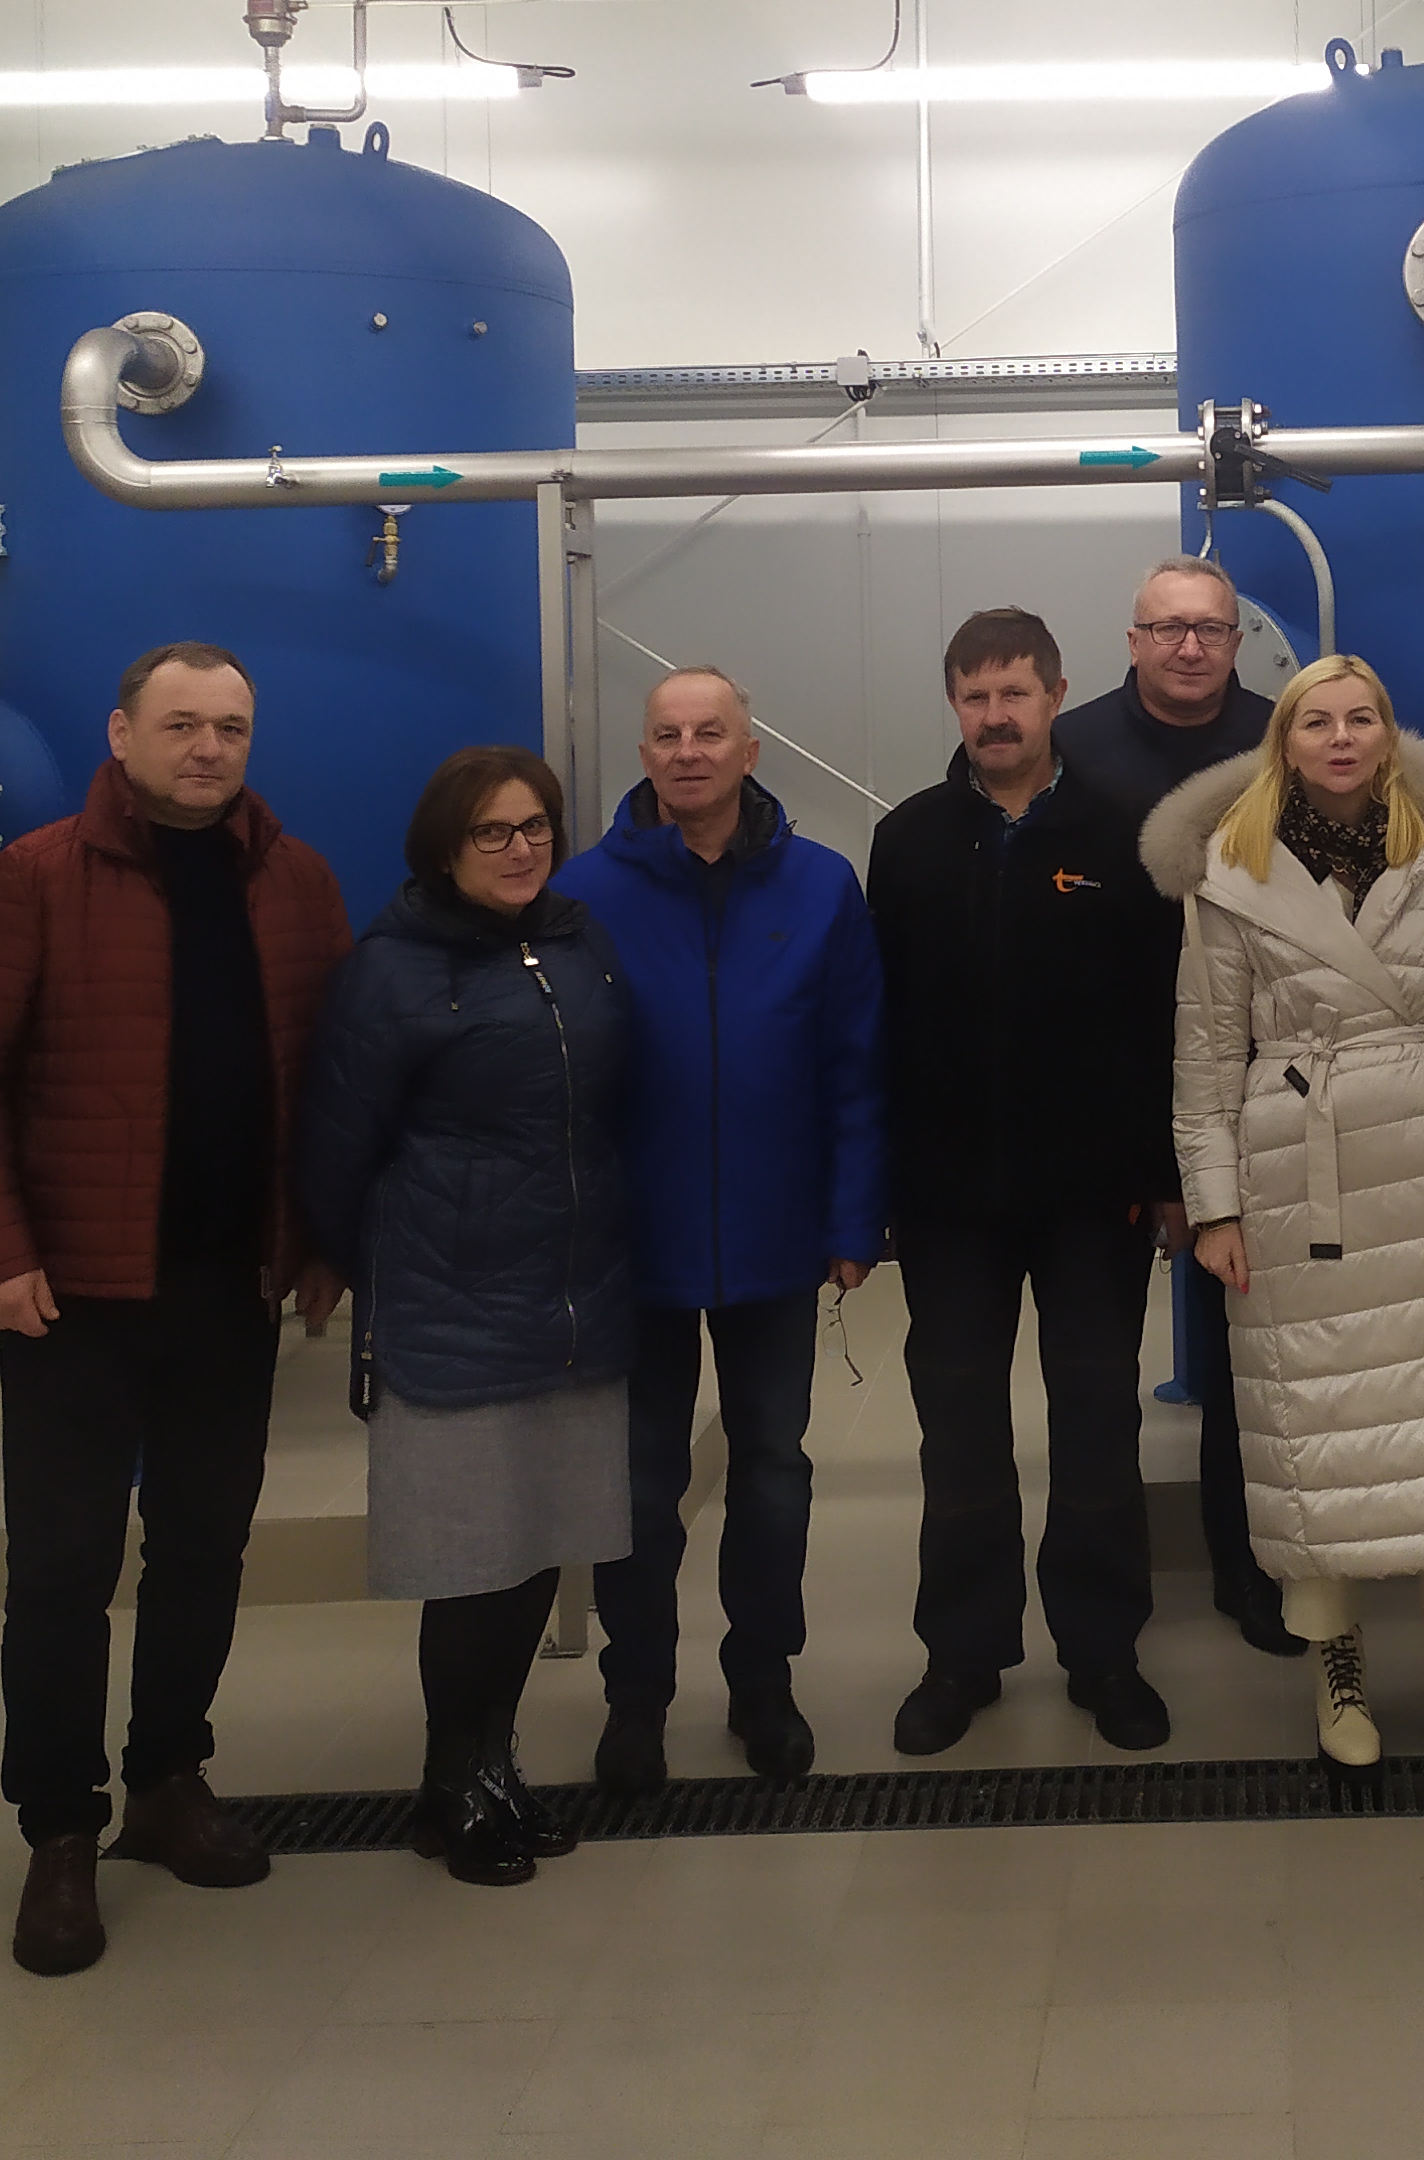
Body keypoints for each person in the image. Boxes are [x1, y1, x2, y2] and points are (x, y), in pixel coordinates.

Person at [0, 642, 354, 1976]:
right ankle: (60, 1828)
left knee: (204, 1550)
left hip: (229, 1287)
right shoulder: (33, 881)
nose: (207, 748)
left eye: (230, 726)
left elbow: (330, 1076)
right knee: (61, 1571)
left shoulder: (294, 881)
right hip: (72, 1296)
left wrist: (318, 1240)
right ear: (121, 736)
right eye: (180, 725)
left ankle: (167, 1777)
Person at [1150, 653, 1424, 1765]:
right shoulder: (1232, 867)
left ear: (1388, 734)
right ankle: (1337, 1670)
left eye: (1361, 719)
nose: (1340, 739)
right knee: (1313, 1427)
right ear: (1283, 742)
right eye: (1316, 721)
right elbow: (1204, 1055)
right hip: (1299, 1172)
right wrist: (1215, 1209)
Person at [297, 746, 633, 1887]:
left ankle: (494, 1764)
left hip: (573, 1291)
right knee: (472, 1557)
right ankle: (452, 1785)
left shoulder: (578, 944)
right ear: (445, 847)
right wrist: (341, 1259)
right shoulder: (390, 970)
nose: (520, 848)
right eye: (493, 831)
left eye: (535, 827)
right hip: (451, 1294)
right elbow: (340, 1135)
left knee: (536, 1544)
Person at [548, 668, 886, 1794]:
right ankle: (636, 1698)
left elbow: (855, 1066)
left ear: (750, 750)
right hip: (630, 1244)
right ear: (644, 753)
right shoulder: (582, 891)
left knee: (773, 1472)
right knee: (639, 1488)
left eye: (709, 733)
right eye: (666, 734)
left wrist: (853, 1219)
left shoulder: (822, 885)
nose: (687, 751)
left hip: (777, 1235)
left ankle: (763, 1685)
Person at [867, 610, 1184, 1756]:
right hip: (948, 1201)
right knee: (957, 1429)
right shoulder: (906, 840)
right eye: (975, 696)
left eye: (1015, 693)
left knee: (1096, 1423)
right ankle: (962, 1655)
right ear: (953, 705)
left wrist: (1167, 1178)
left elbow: (1169, 1018)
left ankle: (1104, 1653)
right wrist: (880, 1185)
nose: (995, 716)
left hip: (1094, 1198)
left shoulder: (1127, 833)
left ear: (1055, 695)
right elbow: (878, 1024)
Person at [1053, 555, 1294, 1655]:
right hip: (1104, 1089)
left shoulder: (1286, 741)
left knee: (1256, 1360)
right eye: (1167, 629)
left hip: (1258, 1081)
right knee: (1095, 1372)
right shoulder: (1073, 749)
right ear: (1133, 639)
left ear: (1238, 640)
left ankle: (1254, 1571)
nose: (1189, 647)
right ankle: (1102, 1614)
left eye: (1210, 629)